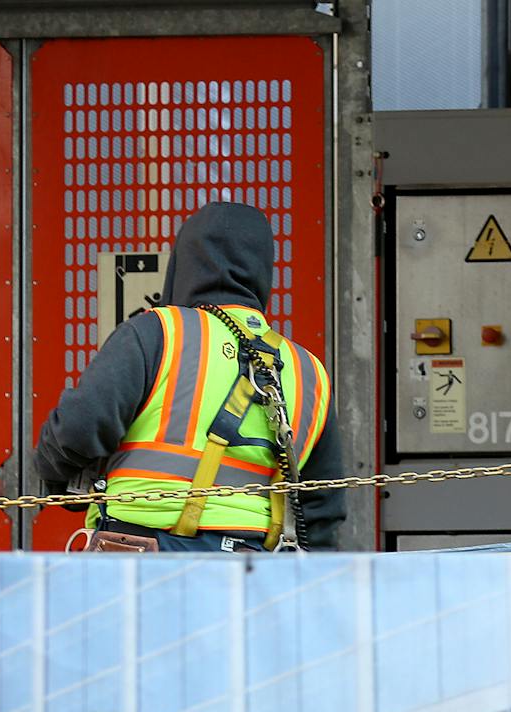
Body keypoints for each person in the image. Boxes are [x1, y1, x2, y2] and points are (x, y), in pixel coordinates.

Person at [35, 202, 345, 551]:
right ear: (263, 270)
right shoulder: (308, 371)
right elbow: (322, 513)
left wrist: (56, 477)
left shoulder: (158, 332)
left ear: (183, 264)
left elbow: (77, 428)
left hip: (141, 563)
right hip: (253, 573)